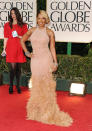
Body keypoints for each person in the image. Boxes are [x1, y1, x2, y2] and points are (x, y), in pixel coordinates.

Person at [20, 10, 73, 126]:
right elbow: (22, 40)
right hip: (35, 60)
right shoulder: (32, 30)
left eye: (43, 18)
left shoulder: (49, 32)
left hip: (46, 59)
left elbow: (52, 47)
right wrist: (27, 53)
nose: (41, 21)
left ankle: (47, 111)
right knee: (36, 84)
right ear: (36, 19)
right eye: (39, 18)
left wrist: (55, 63)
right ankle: (36, 111)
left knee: (45, 85)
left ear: (46, 20)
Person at [1, 7, 28, 94]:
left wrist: (18, 36)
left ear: (18, 14)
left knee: (18, 69)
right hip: (11, 48)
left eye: (14, 13)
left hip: (19, 48)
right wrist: (4, 49)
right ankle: (11, 86)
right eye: (12, 13)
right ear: (10, 15)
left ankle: (18, 85)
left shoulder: (23, 25)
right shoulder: (7, 25)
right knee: (12, 69)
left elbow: (26, 37)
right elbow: (5, 38)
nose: (13, 15)